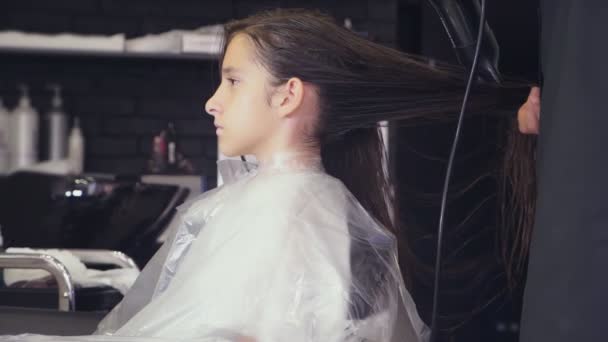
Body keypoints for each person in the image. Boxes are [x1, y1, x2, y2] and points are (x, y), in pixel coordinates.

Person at [1, 8, 527, 342]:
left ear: (288, 95)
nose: (212, 102)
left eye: (232, 81)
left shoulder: (289, 213)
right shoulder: (273, 203)